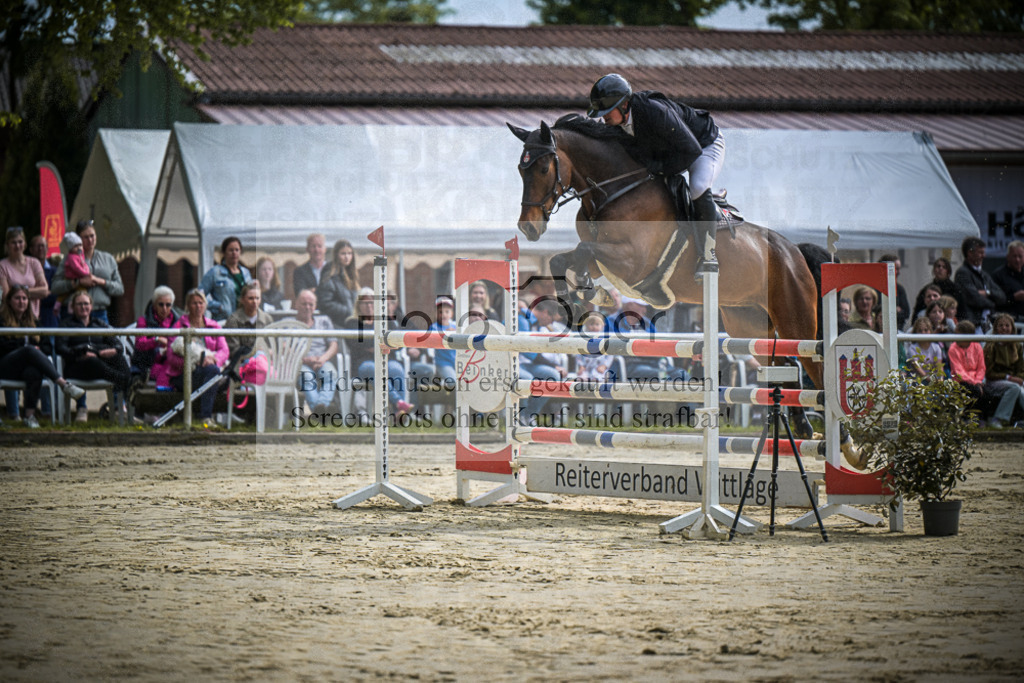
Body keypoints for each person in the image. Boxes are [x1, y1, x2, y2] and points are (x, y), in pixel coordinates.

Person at [586, 73, 724, 276]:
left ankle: (708, 254)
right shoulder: (618, 124)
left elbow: (691, 151)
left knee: (697, 187)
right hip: (674, 150)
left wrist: (660, 168)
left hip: (703, 145)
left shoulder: (654, 111)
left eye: (607, 111)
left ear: (624, 105)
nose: (603, 117)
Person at [0, 285, 85, 427]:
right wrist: (28, 350)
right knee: (28, 350)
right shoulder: (2, 322)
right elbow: (3, 346)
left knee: (34, 372)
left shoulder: (36, 323)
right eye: (17, 298)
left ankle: (29, 416)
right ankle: (63, 384)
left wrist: (35, 351)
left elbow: (46, 347)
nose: (21, 302)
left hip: (25, 369)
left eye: (24, 298)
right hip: (5, 366)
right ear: (9, 301)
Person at [56, 290, 132, 423]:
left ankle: (123, 386)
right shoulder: (66, 325)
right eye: (79, 304)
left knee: (118, 358)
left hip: (101, 368)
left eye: (86, 303)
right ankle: (126, 382)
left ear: (91, 306)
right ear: (72, 307)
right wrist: (80, 352)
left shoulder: (99, 324)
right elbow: (61, 348)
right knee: (92, 361)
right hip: (77, 367)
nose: (83, 307)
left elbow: (118, 345)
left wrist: (113, 350)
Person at [345, 288, 413, 419]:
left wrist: (375, 345)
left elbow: (396, 341)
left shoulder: (386, 321)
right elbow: (356, 343)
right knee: (374, 369)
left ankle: (399, 413)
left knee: (397, 369)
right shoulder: (352, 322)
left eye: (372, 302)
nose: (369, 306)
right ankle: (399, 402)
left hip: (387, 358)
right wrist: (379, 345)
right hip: (364, 362)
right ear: (358, 305)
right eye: (365, 303)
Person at [167, 289, 229, 424]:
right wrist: (197, 362)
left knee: (216, 372)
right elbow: (171, 357)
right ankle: (205, 417)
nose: (198, 306)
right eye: (194, 303)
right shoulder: (178, 326)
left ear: (205, 305)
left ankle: (203, 416)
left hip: (210, 370)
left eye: (201, 303)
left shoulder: (214, 326)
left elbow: (224, 350)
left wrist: (214, 360)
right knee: (213, 374)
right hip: (185, 373)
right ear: (188, 306)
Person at [50, 219, 124, 325]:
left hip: (100, 312)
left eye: (92, 235)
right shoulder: (69, 259)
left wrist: (101, 281)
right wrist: (77, 283)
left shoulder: (108, 259)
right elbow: (55, 287)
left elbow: (120, 289)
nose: (90, 240)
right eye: (85, 237)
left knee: (103, 341)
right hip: (73, 314)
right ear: (78, 239)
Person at [292, 289, 339, 413]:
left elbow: (333, 345)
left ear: (315, 306)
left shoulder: (324, 321)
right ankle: (320, 411)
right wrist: (304, 359)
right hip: (300, 362)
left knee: (331, 374)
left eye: (311, 304)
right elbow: (285, 347)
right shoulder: (288, 324)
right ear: (296, 304)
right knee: (306, 377)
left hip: (321, 360)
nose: (307, 307)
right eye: (304, 304)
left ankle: (320, 406)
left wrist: (323, 358)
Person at [132, 285, 180, 389]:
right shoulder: (143, 320)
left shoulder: (177, 322)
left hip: (170, 361)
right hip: (148, 364)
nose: (164, 308)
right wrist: (157, 340)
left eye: (168, 305)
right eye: (161, 304)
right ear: (154, 305)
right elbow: (140, 343)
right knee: (170, 374)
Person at [982, 312, 1024, 428]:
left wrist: (1019, 378)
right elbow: (989, 373)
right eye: (1001, 326)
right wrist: (1009, 378)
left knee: (1019, 389)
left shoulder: (1018, 346)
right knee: (1015, 388)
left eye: (1007, 325)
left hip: (1014, 381)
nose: (1004, 328)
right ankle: (998, 418)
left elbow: (1021, 369)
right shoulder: (991, 346)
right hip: (994, 382)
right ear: (996, 328)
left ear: (1012, 328)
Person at [954, 236, 1004, 331]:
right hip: (973, 325)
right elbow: (974, 298)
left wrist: (987, 293)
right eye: (980, 253)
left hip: (987, 324)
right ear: (970, 253)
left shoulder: (984, 275)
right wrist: (993, 303)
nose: (983, 256)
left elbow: (1002, 296)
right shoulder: (962, 273)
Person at [0, 226, 49, 320]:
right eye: (13, 243)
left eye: (20, 242)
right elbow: (6, 295)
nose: (17, 245)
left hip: (33, 318)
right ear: (7, 245)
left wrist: (16, 291)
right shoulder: (2, 266)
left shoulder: (34, 263)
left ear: (25, 243)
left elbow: (44, 291)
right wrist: (33, 291)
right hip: (10, 319)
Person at [199, 236, 251, 322]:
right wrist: (218, 306)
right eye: (231, 250)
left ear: (240, 252)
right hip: (223, 320)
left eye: (237, 250)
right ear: (224, 252)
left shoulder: (246, 273)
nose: (234, 253)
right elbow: (199, 295)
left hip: (244, 319)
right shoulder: (214, 272)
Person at [224, 281, 273, 357]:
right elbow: (233, 349)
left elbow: (273, 345)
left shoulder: (267, 319)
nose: (254, 302)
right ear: (242, 300)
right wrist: (255, 352)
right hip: (242, 362)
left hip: (265, 361)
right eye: (250, 298)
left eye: (257, 298)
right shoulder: (234, 320)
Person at [317, 239, 358, 328]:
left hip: (350, 324)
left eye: (349, 253)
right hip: (335, 325)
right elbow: (325, 303)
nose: (347, 257)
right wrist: (348, 311)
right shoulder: (329, 275)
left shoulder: (352, 275)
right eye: (343, 253)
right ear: (336, 255)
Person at [947, 320, 986, 408]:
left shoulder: (977, 346)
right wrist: (973, 383)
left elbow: (981, 367)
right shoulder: (953, 348)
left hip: (977, 381)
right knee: (973, 391)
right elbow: (958, 371)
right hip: (960, 381)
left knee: (987, 392)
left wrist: (978, 381)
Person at [28, 235, 59, 329]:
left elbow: (55, 294)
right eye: (38, 246)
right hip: (29, 316)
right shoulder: (27, 271)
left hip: (50, 317)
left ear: (47, 249)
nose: (41, 248)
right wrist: (43, 292)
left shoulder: (55, 271)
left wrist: (31, 293)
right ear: (31, 249)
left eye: (43, 246)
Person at [427, 295, 457, 391]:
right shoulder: (434, 327)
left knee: (466, 382)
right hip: (442, 363)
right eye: (440, 312)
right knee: (453, 382)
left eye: (447, 312)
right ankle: (453, 403)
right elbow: (431, 342)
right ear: (436, 313)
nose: (444, 314)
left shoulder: (455, 326)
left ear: (451, 313)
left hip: (456, 361)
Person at [574, 312, 613, 382]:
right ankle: (584, 392)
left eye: (597, 324)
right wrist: (581, 366)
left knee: (598, 379)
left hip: (600, 368)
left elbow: (610, 354)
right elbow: (578, 354)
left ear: (603, 325)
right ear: (586, 325)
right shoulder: (584, 338)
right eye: (591, 324)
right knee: (581, 379)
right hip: (586, 368)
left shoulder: (605, 338)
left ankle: (597, 391)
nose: (594, 327)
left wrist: (604, 366)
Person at [992, 240, 1024, 321]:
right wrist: (1013, 298)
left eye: (1020, 256)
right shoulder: (998, 275)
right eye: (1014, 256)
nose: (1017, 260)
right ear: (1008, 257)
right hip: (1007, 322)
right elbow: (994, 301)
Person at [878, 254, 910, 331]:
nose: (898, 272)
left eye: (899, 269)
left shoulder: (900, 289)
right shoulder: (874, 289)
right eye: (896, 269)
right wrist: (894, 310)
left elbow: (906, 313)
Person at [292, 233, 327, 300]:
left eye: (319, 246)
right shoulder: (300, 272)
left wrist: (312, 291)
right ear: (307, 249)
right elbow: (301, 295)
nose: (316, 250)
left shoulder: (333, 270)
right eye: (313, 246)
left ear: (325, 249)